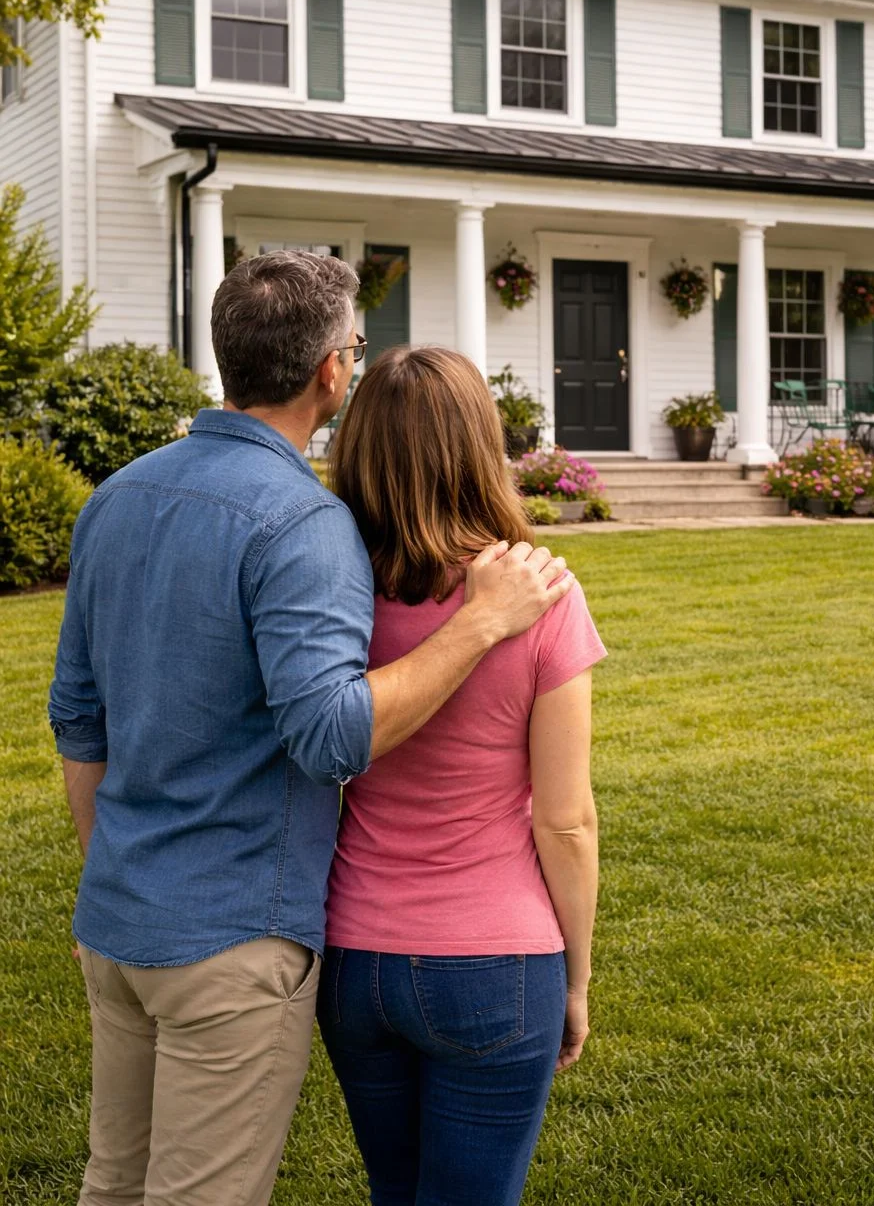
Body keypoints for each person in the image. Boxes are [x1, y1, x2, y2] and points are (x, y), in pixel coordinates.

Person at [48, 252, 574, 1206]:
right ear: (332, 369)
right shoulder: (300, 523)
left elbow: (80, 724)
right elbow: (331, 736)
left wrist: (112, 878)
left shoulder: (113, 499)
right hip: (232, 937)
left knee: (113, 1184)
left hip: (118, 920)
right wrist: (482, 621)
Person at [319, 346, 604, 1206]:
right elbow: (566, 822)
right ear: (480, 445)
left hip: (354, 960)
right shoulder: (543, 593)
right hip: (497, 963)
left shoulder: (330, 593)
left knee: (395, 1192)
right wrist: (578, 980)